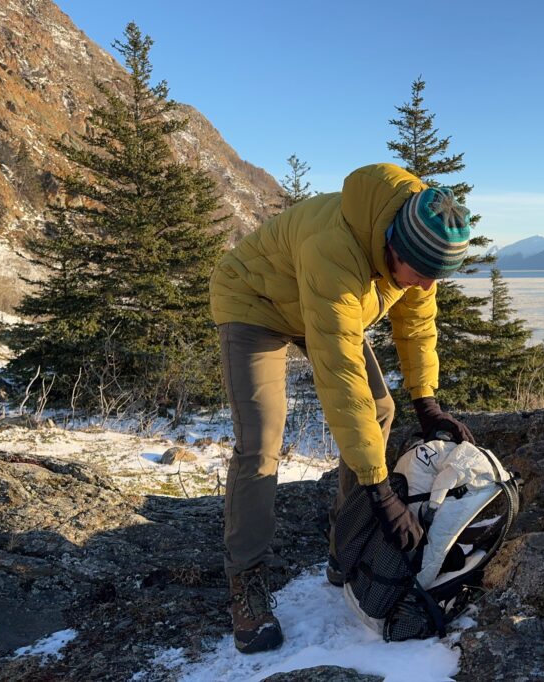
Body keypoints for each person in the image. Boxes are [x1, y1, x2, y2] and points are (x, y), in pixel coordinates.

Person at [208, 163, 477, 653]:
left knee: (379, 409)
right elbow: (339, 371)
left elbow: (417, 327)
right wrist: (380, 489)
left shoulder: (419, 242)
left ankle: (346, 541)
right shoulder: (334, 248)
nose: (426, 288)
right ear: (394, 249)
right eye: (421, 276)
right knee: (262, 440)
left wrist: (427, 402)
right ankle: (245, 581)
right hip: (254, 301)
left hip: (316, 305)